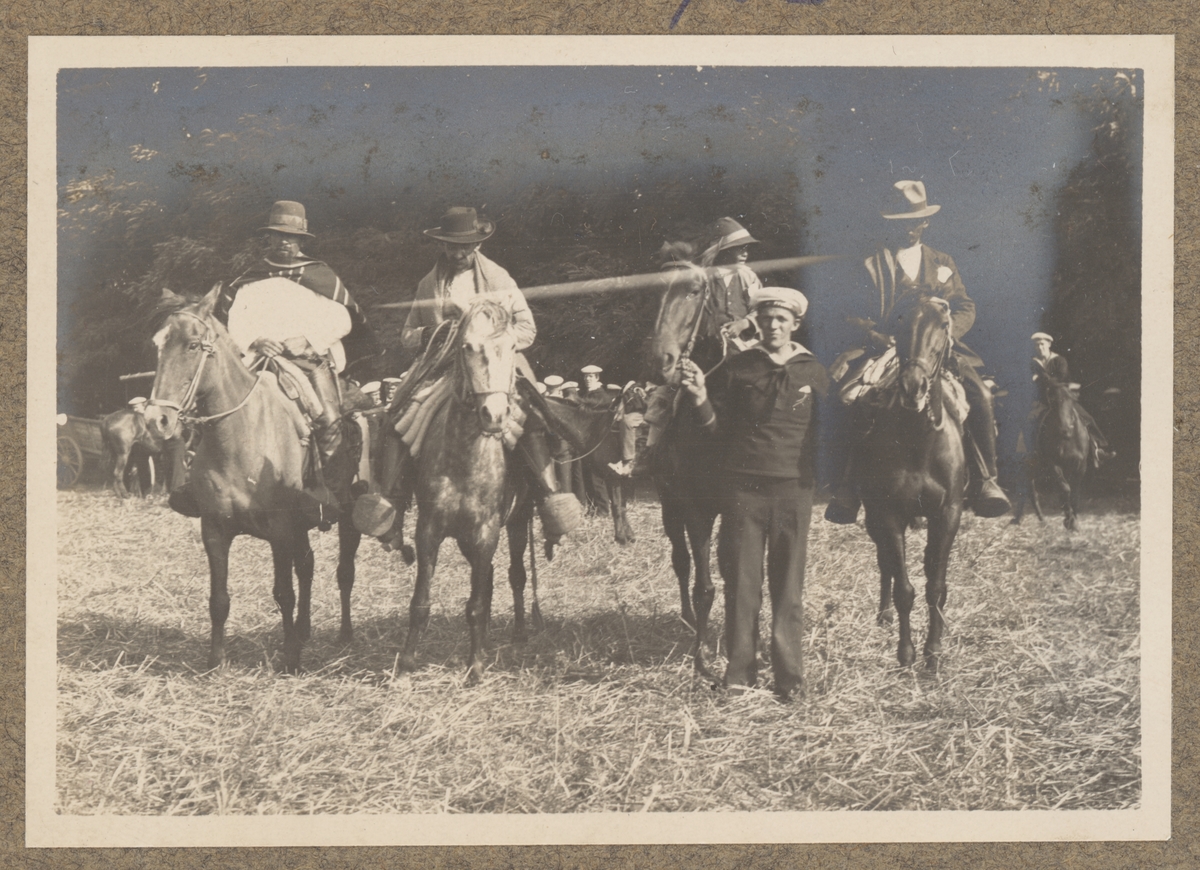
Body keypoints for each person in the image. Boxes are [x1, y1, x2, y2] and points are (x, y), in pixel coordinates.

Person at [375, 207, 579, 552]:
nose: (457, 254)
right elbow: (407, 335)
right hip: (441, 369)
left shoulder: (500, 279)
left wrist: (494, 340)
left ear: (478, 245)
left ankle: (549, 500)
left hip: (492, 367)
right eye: (451, 246)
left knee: (531, 418)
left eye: (464, 247)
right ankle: (391, 508)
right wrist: (435, 333)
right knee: (399, 416)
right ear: (441, 245)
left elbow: (527, 328)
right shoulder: (429, 284)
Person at [825, 180, 1011, 523]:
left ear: (925, 222)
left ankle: (986, 481)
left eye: (913, 222)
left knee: (982, 397)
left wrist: (947, 333)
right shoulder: (870, 264)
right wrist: (874, 333)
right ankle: (846, 486)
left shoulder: (943, 261)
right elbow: (848, 312)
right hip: (886, 348)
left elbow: (965, 305)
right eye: (899, 223)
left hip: (935, 349)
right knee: (848, 397)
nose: (907, 229)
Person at [680, 286, 827, 702]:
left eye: (781, 319)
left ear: (795, 323)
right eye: (766, 319)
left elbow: (826, 436)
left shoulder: (814, 372)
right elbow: (717, 431)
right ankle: (739, 677)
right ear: (757, 323)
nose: (773, 325)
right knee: (742, 586)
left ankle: (789, 681)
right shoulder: (737, 368)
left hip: (793, 491)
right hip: (743, 490)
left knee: (788, 589)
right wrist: (701, 397)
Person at [219, 200, 364, 464]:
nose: (284, 241)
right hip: (259, 362)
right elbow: (235, 323)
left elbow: (343, 320)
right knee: (225, 412)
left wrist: (308, 339)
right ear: (269, 238)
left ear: (301, 240)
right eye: (278, 235)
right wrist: (256, 341)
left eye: (291, 236)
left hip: (307, 362)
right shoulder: (252, 279)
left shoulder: (319, 275)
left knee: (329, 423)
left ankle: (331, 485)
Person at [1029, 332, 1112, 466]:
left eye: (1042, 344)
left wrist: (1042, 379)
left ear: (1049, 344)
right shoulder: (1033, 363)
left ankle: (1098, 449)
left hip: (1062, 398)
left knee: (1086, 417)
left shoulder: (1059, 360)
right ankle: (1034, 454)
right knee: (1031, 422)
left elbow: (1062, 378)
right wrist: (1045, 381)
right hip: (1041, 401)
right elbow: (1030, 382)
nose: (1040, 347)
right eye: (1037, 345)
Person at [700, 216, 765, 349]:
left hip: (743, 342)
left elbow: (761, 308)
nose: (745, 254)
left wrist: (744, 323)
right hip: (709, 343)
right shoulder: (705, 277)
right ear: (724, 250)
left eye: (746, 249)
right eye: (739, 249)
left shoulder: (747, 276)